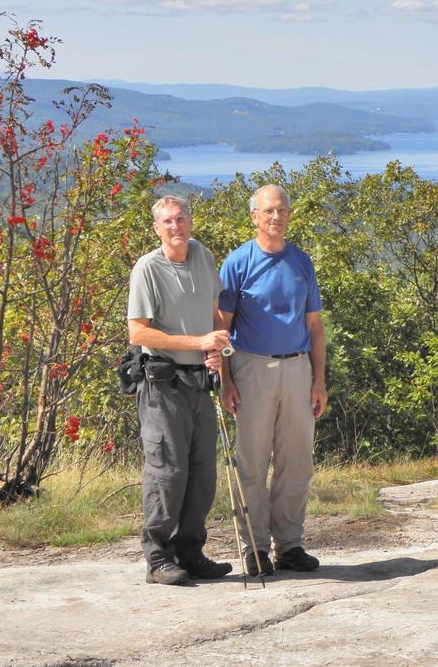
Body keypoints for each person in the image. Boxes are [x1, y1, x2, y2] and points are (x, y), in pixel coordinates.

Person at [218, 184, 327, 575]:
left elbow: (315, 327)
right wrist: (226, 381)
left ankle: (291, 545)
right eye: (268, 211)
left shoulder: (302, 262)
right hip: (251, 367)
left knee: (297, 459)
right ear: (254, 217)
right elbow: (222, 328)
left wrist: (319, 382)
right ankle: (255, 547)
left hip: (298, 367)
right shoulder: (237, 263)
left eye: (281, 210)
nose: (275, 217)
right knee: (251, 459)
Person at [127, 195, 234, 585]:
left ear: (191, 221)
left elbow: (215, 310)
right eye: (167, 222)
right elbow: (137, 331)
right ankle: (158, 558)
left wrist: (217, 350)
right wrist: (198, 342)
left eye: (181, 219)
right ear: (157, 228)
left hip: (199, 383)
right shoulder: (147, 268)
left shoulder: (203, 256)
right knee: (167, 472)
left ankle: (190, 551)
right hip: (163, 384)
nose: (176, 227)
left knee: (202, 473)